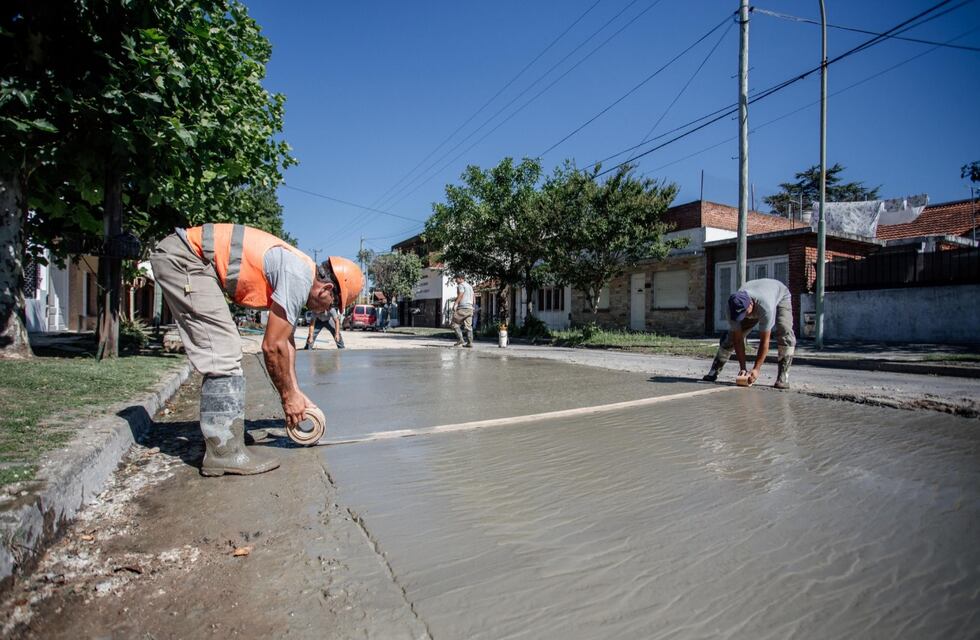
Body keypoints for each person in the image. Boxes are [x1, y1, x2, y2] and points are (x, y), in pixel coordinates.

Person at [150, 223, 363, 476]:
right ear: (327, 289)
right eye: (332, 304)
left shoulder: (302, 270)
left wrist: (296, 392)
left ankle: (226, 437)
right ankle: (224, 452)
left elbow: (286, 341)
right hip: (185, 258)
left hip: (193, 258)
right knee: (224, 351)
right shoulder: (297, 277)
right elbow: (272, 347)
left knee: (225, 347)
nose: (326, 311)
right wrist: (288, 399)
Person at [702, 278, 796, 389]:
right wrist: (743, 368)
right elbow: (738, 339)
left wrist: (756, 369)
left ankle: (783, 376)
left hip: (780, 295)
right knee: (731, 337)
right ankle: (714, 371)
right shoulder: (731, 307)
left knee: (784, 331)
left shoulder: (765, 307)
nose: (743, 317)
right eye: (739, 315)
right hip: (755, 298)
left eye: (744, 313)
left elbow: (764, 341)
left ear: (750, 304)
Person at [450, 274, 474, 348]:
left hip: (463, 308)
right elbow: (473, 296)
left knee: (454, 323)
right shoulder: (469, 286)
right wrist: (473, 306)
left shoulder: (461, 285)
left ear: (461, 279)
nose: (455, 281)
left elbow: (461, 294)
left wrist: (455, 304)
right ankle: (470, 343)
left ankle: (461, 340)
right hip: (470, 308)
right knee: (468, 326)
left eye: (456, 279)